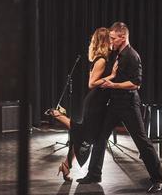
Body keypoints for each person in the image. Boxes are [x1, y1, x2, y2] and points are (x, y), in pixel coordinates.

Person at [76, 22, 162, 193]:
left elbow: (136, 84)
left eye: (113, 38)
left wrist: (113, 85)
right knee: (101, 138)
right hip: (115, 104)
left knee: (142, 141)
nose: (110, 41)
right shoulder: (117, 53)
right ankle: (94, 174)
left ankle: (158, 179)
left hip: (129, 105)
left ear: (123, 37)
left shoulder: (132, 56)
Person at [46, 27, 118, 182]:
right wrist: (111, 76)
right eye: (110, 39)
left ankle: (66, 165)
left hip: (96, 102)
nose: (112, 41)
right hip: (95, 103)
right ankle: (59, 116)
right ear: (104, 41)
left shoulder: (103, 59)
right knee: (87, 136)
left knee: (82, 136)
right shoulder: (101, 60)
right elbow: (92, 83)